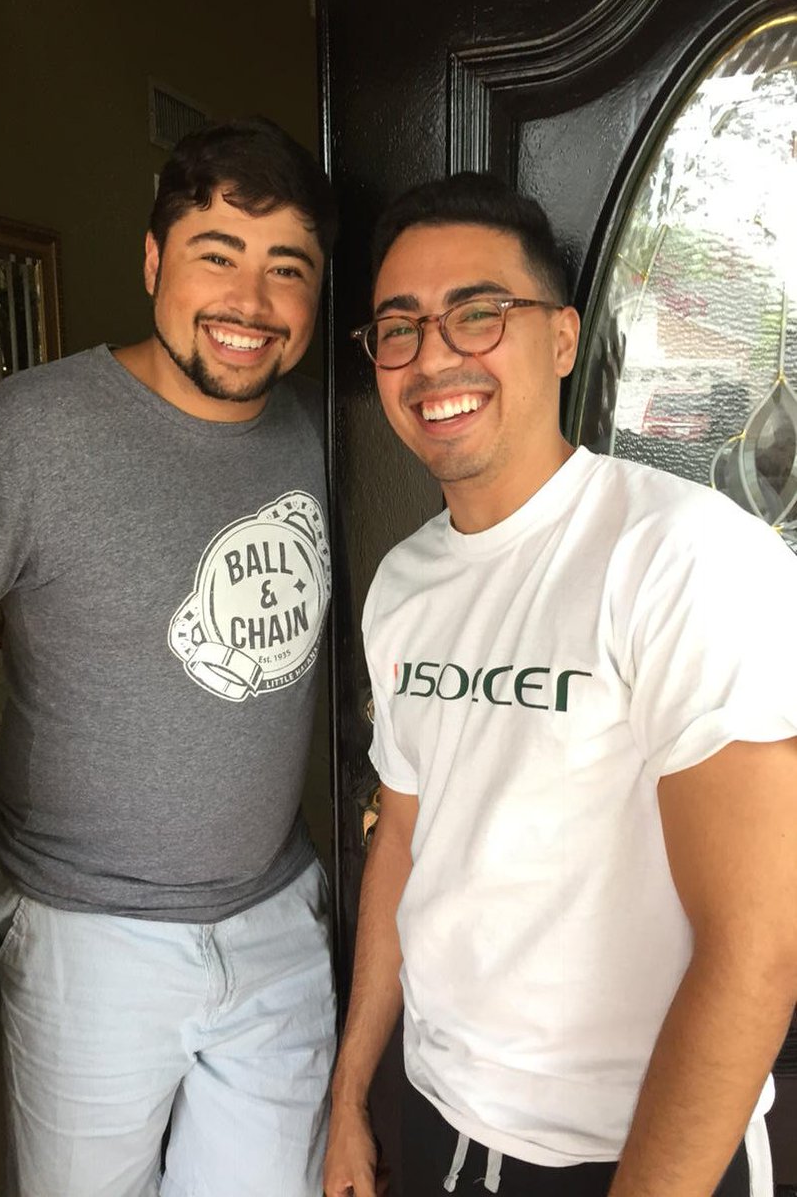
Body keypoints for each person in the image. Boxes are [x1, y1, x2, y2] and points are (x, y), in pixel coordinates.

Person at [323, 172, 797, 1197]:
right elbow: (402, 840)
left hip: (636, 1152)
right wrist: (351, 1092)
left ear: (564, 339)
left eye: (479, 313)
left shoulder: (679, 555)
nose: (433, 356)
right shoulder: (403, 584)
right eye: (399, 328)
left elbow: (758, 948)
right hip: (441, 1120)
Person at [0, 117, 337, 1197]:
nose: (251, 302)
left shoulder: (318, 433)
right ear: (152, 261)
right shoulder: (31, 435)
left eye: (287, 268)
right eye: (217, 255)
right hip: (86, 938)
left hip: (278, 922)